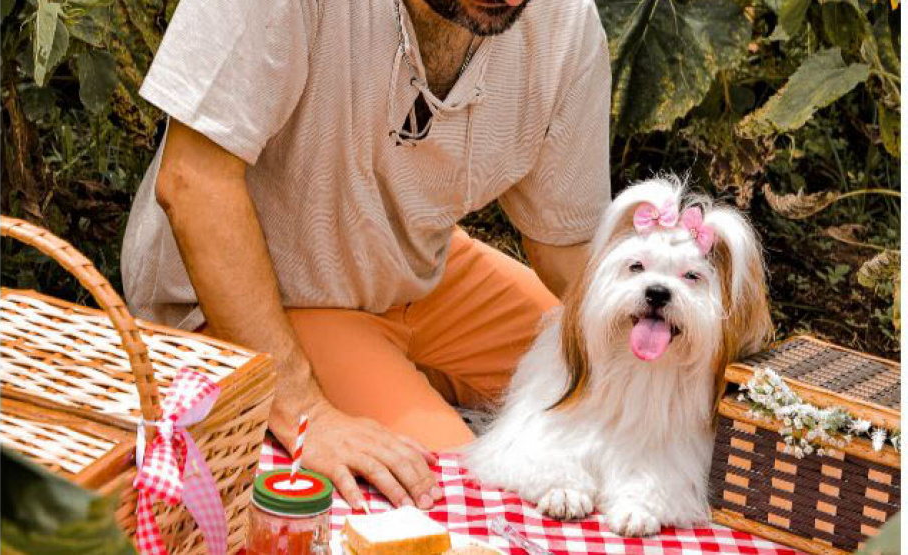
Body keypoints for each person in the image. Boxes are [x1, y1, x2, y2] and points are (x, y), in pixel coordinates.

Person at [121, 0, 611, 513]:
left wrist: (670, 326)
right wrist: (308, 414)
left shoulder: (564, 20)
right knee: (458, 498)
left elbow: (565, 245)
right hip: (274, 292)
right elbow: (193, 181)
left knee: (631, 382)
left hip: (411, 267)